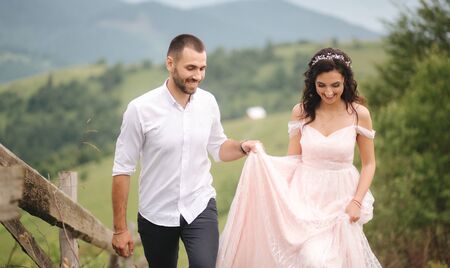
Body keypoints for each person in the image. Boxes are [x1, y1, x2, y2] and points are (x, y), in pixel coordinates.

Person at [217, 47, 382, 267]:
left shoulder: (359, 114)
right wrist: (263, 160)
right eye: (321, 85)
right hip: (305, 199)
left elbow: (369, 163)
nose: (329, 92)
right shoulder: (301, 112)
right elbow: (292, 160)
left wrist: (356, 201)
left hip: (342, 199)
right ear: (312, 83)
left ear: (346, 82)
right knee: (313, 259)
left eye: (335, 85)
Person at [111, 34, 259, 268]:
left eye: (202, 68)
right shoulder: (140, 110)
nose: (198, 76)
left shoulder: (208, 102)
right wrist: (120, 230)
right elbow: (122, 169)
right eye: (191, 68)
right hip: (156, 213)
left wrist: (242, 147)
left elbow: (218, 148)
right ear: (170, 64)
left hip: (199, 205)